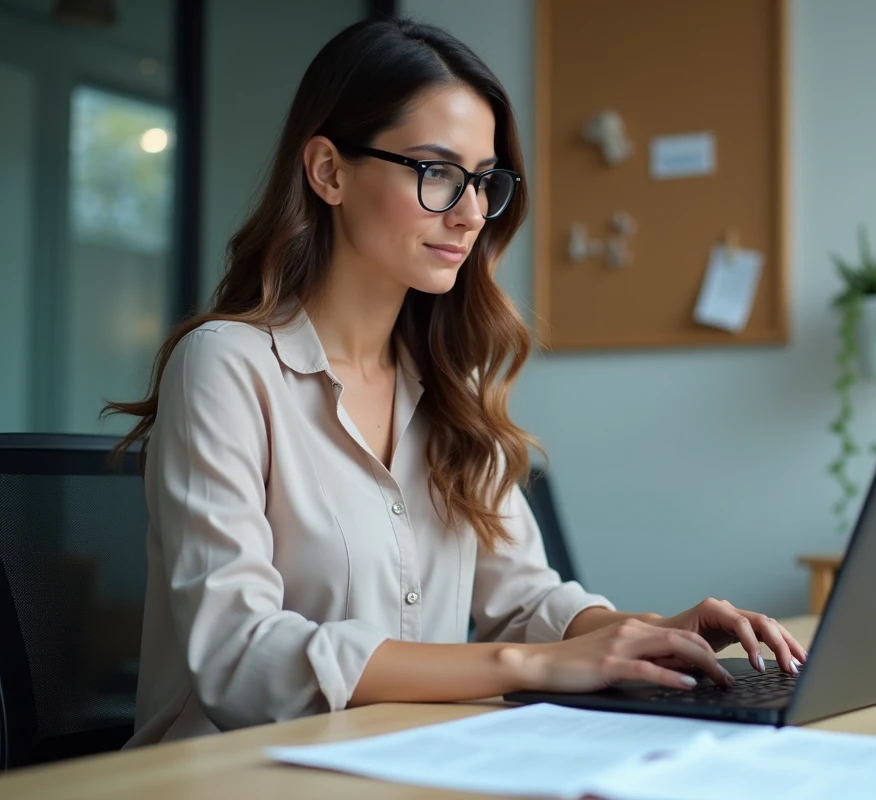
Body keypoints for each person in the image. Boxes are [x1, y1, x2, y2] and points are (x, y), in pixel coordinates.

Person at [107, 18, 806, 747]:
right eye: (437, 172)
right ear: (329, 172)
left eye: (483, 179)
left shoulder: (449, 380)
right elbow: (240, 658)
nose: (472, 213)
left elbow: (525, 594)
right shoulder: (226, 365)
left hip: (407, 765)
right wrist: (531, 663)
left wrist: (652, 632)